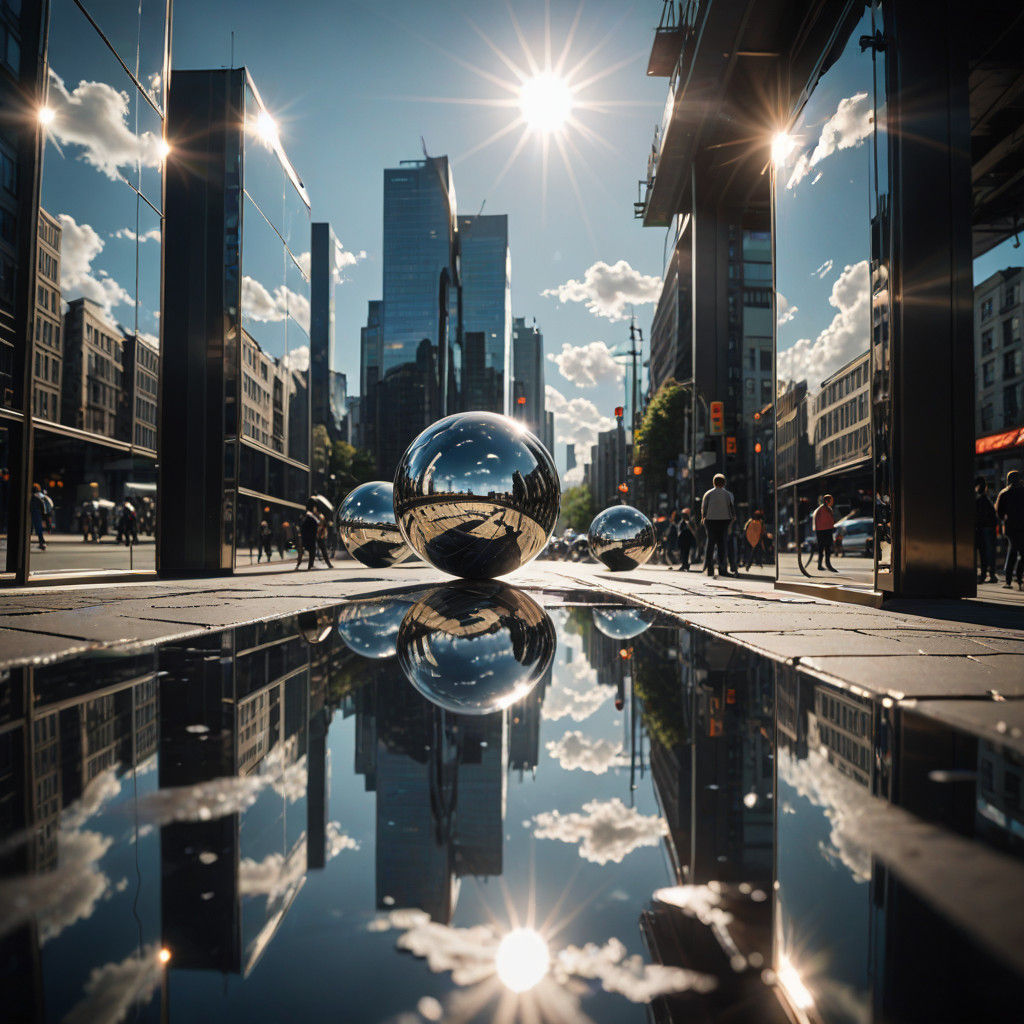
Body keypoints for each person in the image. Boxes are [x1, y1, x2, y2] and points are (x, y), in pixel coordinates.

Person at [700, 473, 735, 577]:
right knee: (722, 545)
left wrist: (703, 519)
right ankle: (722, 568)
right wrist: (731, 521)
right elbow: (731, 509)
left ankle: (709, 568)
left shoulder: (708, 493)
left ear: (713, 482)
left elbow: (704, 508)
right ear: (724, 483)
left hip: (710, 521)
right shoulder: (728, 494)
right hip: (724, 521)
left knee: (710, 544)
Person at [994, 469, 1024, 590]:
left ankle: (1009, 579)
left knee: (1013, 550)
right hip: (1023, 526)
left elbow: (999, 512)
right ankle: (1019, 576)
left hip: (1011, 527)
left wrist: (1005, 519)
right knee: (1022, 552)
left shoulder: (1004, 493)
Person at [975, 476, 998, 584]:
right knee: (989, 552)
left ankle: (985, 574)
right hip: (988, 528)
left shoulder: (979, 499)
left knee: (984, 552)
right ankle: (990, 574)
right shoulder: (986, 499)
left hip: (981, 528)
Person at [812, 494, 837, 572]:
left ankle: (828, 564)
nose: (832, 502)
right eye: (831, 500)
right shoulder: (820, 509)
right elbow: (816, 521)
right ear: (827, 501)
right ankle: (820, 565)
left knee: (828, 549)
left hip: (828, 530)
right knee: (821, 548)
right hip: (822, 531)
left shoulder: (829, 509)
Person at [298, 502, 320, 571]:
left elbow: (302, 527)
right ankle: (310, 565)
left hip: (306, 537)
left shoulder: (306, 518)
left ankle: (301, 564)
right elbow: (316, 525)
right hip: (311, 537)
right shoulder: (311, 517)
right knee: (312, 551)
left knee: (306, 551)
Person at [30, 483, 46, 550]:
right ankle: (42, 542)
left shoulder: (33, 495)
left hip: (35, 512)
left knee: (37, 528)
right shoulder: (41, 495)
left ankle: (42, 542)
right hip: (38, 512)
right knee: (38, 528)